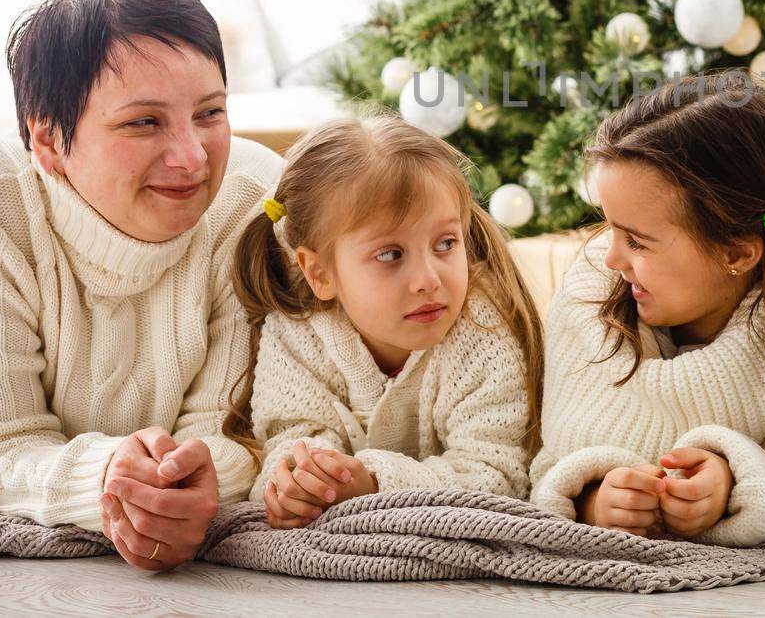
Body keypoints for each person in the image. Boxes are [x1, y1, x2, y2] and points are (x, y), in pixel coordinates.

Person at [0, 0, 283, 570]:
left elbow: (235, 431)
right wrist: (109, 478)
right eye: (143, 122)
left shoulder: (255, 199)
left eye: (209, 113)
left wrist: (190, 481)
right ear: (47, 141)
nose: (192, 158)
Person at [531, 73, 765, 546]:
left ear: (736, 254)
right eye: (610, 228)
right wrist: (591, 497)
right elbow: (551, 459)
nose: (612, 258)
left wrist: (735, 482)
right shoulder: (589, 302)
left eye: (637, 241)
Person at [222, 115, 542, 529]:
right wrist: (297, 485)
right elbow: (288, 442)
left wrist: (374, 482)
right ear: (319, 273)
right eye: (391, 255)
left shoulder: (483, 331)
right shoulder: (296, 335)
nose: (429, 280)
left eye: (446, 243)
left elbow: (497, 479)